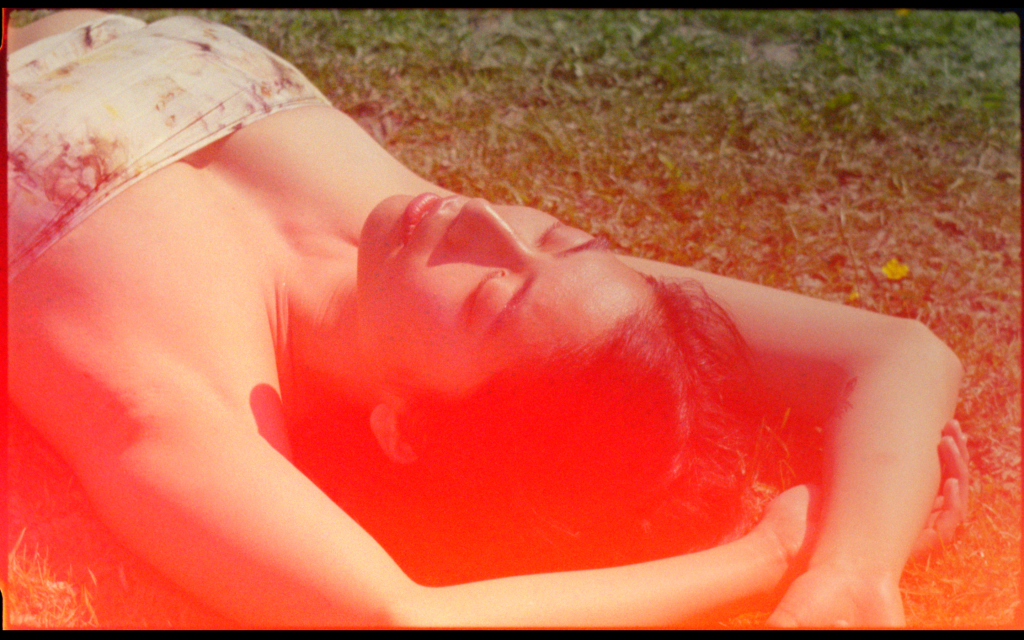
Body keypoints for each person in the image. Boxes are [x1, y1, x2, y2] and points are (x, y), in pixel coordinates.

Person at [6, 10, 968, 627]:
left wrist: (772, 555)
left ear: (406, 427)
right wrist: (857, 565)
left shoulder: (180, 399)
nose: (483, 222)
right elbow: (896, 353)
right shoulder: (538, 289)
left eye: (488, 296)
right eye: (562, 237)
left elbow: (402, 616)